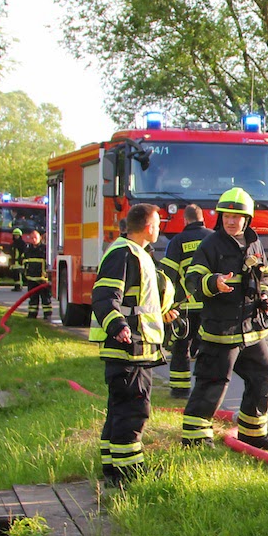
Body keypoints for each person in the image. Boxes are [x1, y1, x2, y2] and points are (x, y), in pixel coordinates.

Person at [180, 188, 268, 451]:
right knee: (212, 383)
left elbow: (265, 277)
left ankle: (252, 433)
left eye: (236, 217)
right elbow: (192, 280)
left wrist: (266, 295)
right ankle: (195, 439)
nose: (231, 221)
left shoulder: (254, 244)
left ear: (247, 219)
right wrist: (213, 282)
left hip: (251, 330)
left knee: (263, 378)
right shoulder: (210, 245)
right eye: (226, 216)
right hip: (221, 331)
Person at [91, 204, 177, 485]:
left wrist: (163, 313)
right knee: (133, 409)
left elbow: (138, 301)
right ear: (148, 227)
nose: (159, 229)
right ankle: (130, 473)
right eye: (158, 224)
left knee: (120, 409)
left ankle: (112, 468)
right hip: (128, 348)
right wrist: (118, 326)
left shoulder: (138, 253)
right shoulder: (123, 254)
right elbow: (105, 296)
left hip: (136, 347)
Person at [161, 204, 211, 398]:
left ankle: (179, 390)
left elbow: (168, 275)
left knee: (181, 347)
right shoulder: (213, 238)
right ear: (203, 218)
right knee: (208, 348)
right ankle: (204, 390)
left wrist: (166, 304)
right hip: (209, 305)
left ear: (185, 220)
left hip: (185, 306)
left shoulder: (177, 241)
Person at [20, 229, 53, 320]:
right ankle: (32, 314)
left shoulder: (45, 249)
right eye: (31, 238)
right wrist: (25, 273)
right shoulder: (28, 250)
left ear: (40, 238)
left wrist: (48, 277)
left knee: (45, 298)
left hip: (42, 280)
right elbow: (24, 262)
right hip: (31, 279)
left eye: (35, 237)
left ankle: (47, 315)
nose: (33, 239)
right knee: (33, 298)